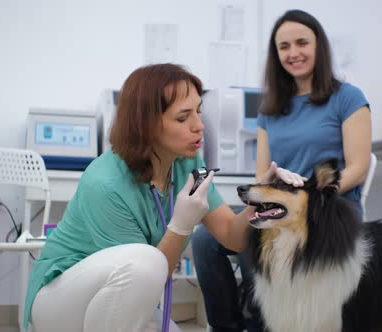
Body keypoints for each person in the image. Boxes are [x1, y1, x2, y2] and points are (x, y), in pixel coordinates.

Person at [23, 63, 302, 332]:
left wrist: (262, 201)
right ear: (147, 125)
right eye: (183, 117)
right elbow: (147, 275)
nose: (200, 125)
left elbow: (232, 235)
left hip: (120, 297)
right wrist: (181, 225)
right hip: (58, 304)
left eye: (198, 112)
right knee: (145, 262)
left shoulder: (186, 163)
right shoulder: (105, 183)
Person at [193, 9, 371, 332]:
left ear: (319, 46)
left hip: (326, 211)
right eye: (284, 46)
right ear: (276, 55)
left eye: (302, 42)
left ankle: (267, 324)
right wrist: (268, 199)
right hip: (278, 208)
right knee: (206, 239)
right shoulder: (270, 109)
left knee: (268, 245)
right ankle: (228, 327)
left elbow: (357, 168)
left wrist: (311, 195)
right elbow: (263, 176)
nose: (294, 53)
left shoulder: (348, 98)